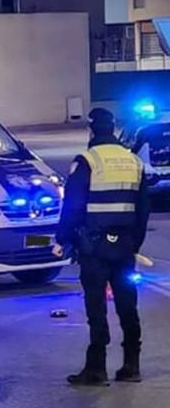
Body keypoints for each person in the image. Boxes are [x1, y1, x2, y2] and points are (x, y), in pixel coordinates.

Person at [55, 107, 150, 385]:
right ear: (115, 128)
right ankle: (132, 365)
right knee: (127, 304)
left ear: (92, 129)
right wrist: (134, 243)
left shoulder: (87, 161)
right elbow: (143, 208)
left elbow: (72, 206)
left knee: (96, 307)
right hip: (124, 247)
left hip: (94, 247)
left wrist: (63, 238)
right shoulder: (133, 162)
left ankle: (96, 368)